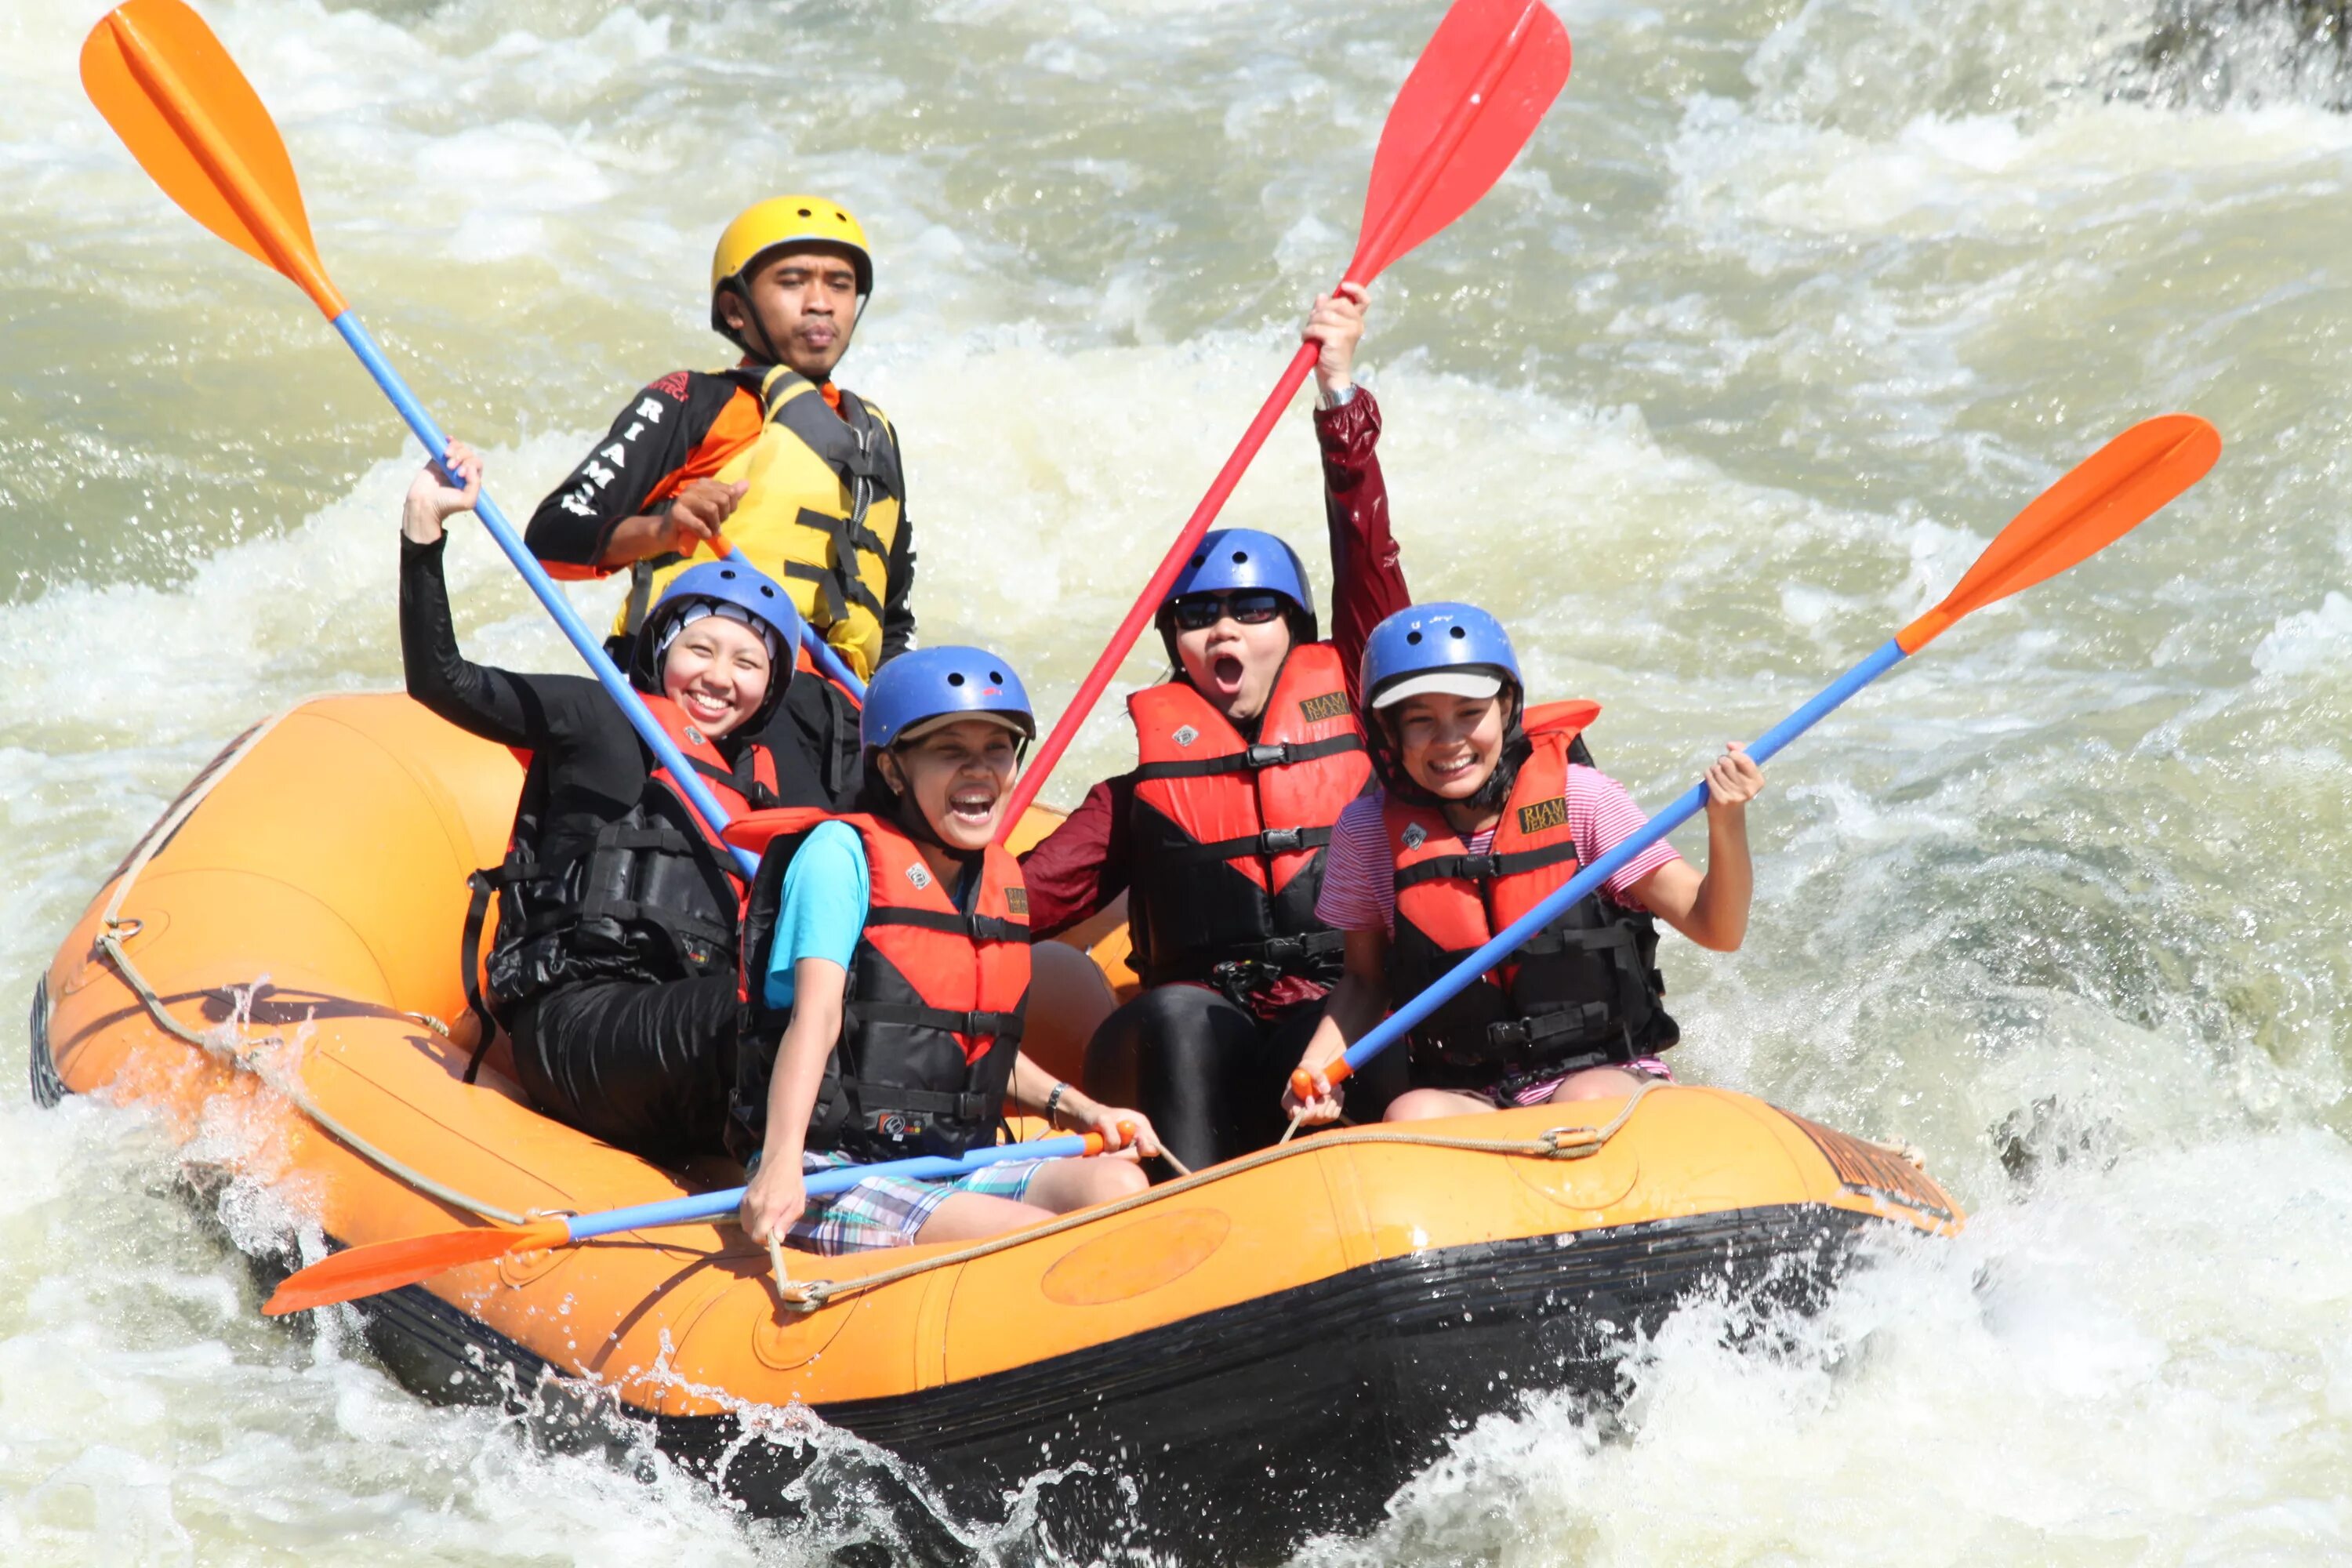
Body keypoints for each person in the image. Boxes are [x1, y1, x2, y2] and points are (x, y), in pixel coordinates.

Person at [1018, 285, 1411, 1172]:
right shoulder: (1136, 800)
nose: (1224, 629)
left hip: (1332, 1023)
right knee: (1169, 1019)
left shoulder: (1366, 718)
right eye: (1199, 616)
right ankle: (1189, 1223)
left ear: (1299, 632)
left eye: (1252, 610)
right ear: (1176, 648)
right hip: (1203, 1044)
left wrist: (1340, 401)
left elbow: (1370, 566)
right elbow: (1016, 901)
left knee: (1363, 1018)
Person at [401, 444, 818, 1160]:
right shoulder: (598, 713)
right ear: (661, 653)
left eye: (747, 663)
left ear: (768, 690)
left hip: (677, 1057)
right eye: (701, 650)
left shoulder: (761, 794)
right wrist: (424, 529)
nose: (719, 677)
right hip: (577, 1023)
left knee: (833, 989)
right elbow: (443, 680)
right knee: (782, 1005)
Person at [731, 648, 1160, 1254]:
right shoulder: (839, 854)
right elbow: (815, 1019)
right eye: (951, 751)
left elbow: (970, 1043)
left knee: (1119, 1184)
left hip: (955, 1159)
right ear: (893, 770)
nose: (980, 771)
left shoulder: (992, 878)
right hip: (836, 1168)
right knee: (1029, 1244)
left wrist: (1082, 1109)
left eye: (997, 750)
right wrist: (780, 1165)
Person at [1287, 603, 1766, 1126]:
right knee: (1411, 1112)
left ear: (1507, 706)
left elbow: (1717, 927)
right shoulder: (1367, 832)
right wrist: (1317, 1070)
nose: (1449, 741)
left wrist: (1727, 820)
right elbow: (1363, 980)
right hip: (1471, 1092)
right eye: (1421, 721)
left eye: (1470, 713)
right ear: (1387, 733)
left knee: (1583, 1099)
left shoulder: (1581, 800)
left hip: (1607, 1072)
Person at [523, 195, 916, 794]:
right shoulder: (695, 401)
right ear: (735, 309)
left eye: (840, 284)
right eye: (792, 281)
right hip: (706, 709)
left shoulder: (874, 440)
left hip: (833, 725)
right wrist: (664, 530)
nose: (820, 301)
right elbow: (552, 535)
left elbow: (889, 618)